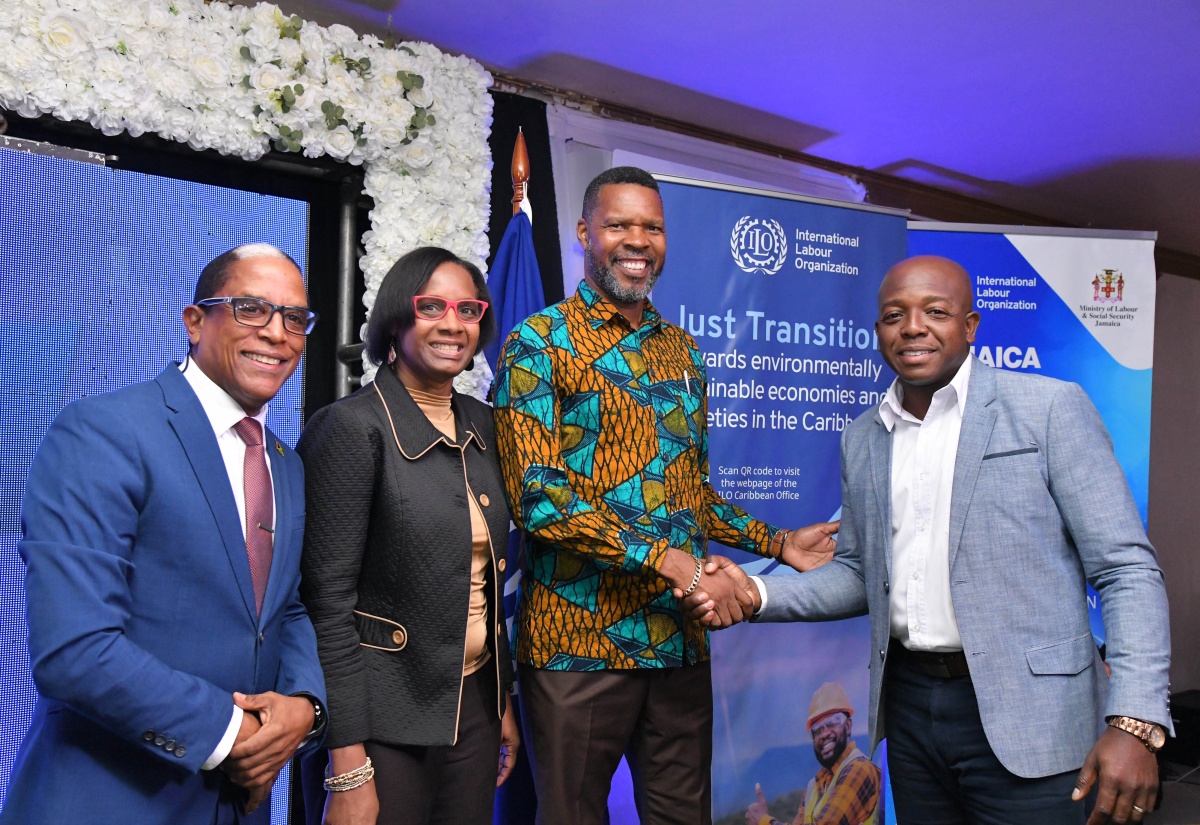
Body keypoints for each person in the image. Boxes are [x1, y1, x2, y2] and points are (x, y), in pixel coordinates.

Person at [687, 255, 1172, 825]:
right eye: (895, 314)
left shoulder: (1047, 409)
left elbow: (1126, 570)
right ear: (878, 332)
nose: (913, 326)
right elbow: (859, 573)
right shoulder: (863, 437)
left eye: (935, 311)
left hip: (1038, 720)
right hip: (913, 714)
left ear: (970, 326)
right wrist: (755, 594)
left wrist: (1134, 721)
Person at [491, 166, 839, 825]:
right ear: (585, 232)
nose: (637, 240)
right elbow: (538, 498)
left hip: (677, 643)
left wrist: (778, 541)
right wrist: (668, 559)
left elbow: (688, 497)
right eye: (620, 224)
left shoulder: (683, 351)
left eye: (651, 226)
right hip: (576, 647)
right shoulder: (538, 342)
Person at [2, 244, 327, 824]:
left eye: (295, 318)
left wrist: (304, 705)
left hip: (238, 808)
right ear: (195, 321)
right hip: (109, 800)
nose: (279, 333)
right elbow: (73, 650)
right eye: (252, 308)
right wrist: (237, 736)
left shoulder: (286, 463)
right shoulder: (104, 430)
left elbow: (287, 608)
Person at [297, 246, 519, 825]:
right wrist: (347, 761)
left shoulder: (485, 423)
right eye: (432, 307)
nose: (453, 324)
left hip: (472, 708)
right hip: (377, 720)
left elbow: (484, 588)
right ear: (397, 318)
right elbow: (324, 607)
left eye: (469, 310)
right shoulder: (350, 429)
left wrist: (501, 703)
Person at [746, 682, 880, 825]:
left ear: (847, 726)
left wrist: (764, 822)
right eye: (817, 730)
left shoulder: (859, 769)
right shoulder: (813, 788)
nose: (824, 734)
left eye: (831, 722)